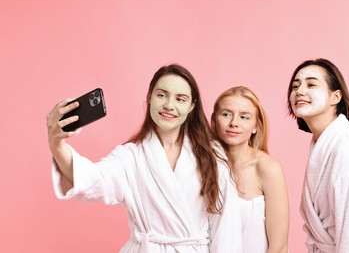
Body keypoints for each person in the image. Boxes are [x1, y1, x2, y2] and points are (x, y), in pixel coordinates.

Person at [46, 64, 242, 252]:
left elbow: (227, 231)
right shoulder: (130, 157)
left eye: (180, 99)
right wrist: (57, 145)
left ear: (192, 106)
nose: (169, 105)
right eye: (161, 95)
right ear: (149, 97)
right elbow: (92, 180)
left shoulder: (212, 155)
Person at [287, 58, 349, 252]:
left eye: (311, 84)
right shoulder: (323, 145)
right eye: (295, 86)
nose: (299, 91)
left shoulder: (347, 149)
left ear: (335, 97)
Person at [211, 86, 289, 253]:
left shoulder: (268, 168)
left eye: (244, 117)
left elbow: (279, 246)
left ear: (256, 126)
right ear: (214, 121)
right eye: (226, 114)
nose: (234, 123)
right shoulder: (204, 166)